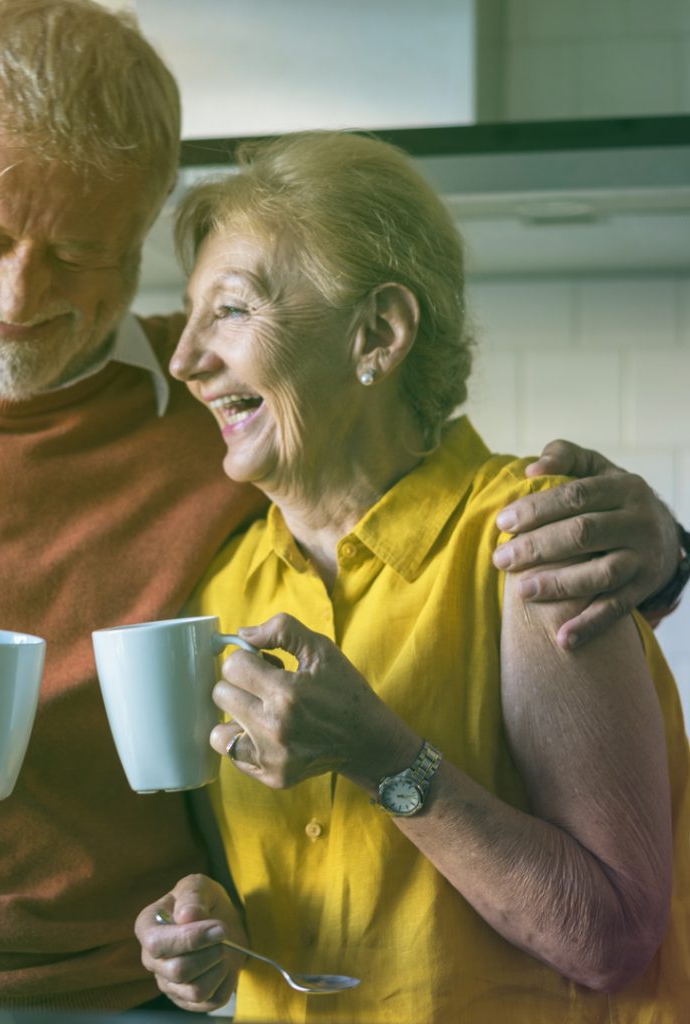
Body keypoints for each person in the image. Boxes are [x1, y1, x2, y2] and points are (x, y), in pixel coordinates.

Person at [0, 0, 683, 1011]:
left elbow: (395, 463)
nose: (20, 296)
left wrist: (663, 549)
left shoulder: (211, 410)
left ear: (141, 226)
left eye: (76, 253)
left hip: (120, 994)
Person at [134, 131, 690, 1022]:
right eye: (190, 315)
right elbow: (272, 896)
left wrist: (382, 756)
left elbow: (613, 937)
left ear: (377, 335)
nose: (186, 359)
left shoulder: (530, 543)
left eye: (232, 311)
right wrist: (203, 934)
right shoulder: (222, 588)